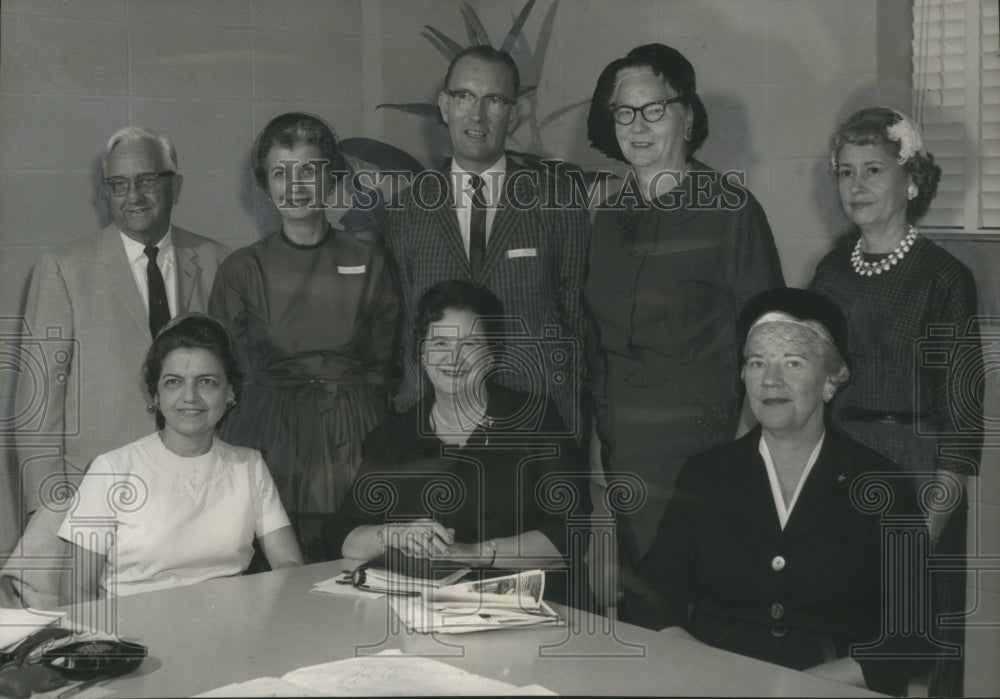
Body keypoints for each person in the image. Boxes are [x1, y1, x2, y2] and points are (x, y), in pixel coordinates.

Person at [625, 288, 923, 696]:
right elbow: (650, 599)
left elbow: (913, 635)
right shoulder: (706, 475)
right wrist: (708, 672)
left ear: (831, 380)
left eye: (793, 363)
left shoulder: (883, 485)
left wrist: (795, 687)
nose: (770, 380)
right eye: (757, 362)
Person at [1, 126, 229, 608]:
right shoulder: (64, 268)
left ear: (176, 186)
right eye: (118, 184)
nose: (133, 196)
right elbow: (37, 410)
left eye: (147, 180)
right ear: (104, 191)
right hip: (93, 507)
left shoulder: (217, 262)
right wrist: (53, 514)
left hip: (194, 501)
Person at [584, 43, 785, 567]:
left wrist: (741, 453)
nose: (638, 124)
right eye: (624, 112)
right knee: (640, 597)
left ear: (688, 116)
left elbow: (767, 340)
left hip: (699, 445)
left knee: (691, 597)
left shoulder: (731, 211)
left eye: (655, 109)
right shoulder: (606, 218)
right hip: (623, 445)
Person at [810, 106, 982, 697]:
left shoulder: (944, 278)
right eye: (845, 171)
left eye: (873, 171)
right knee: (838, 643)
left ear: (912, 181)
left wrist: (930, 519)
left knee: (907, 652)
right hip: (840, 464)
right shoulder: (830, 273)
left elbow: (962, 416)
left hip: (914, 473)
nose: (855, 186)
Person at [325, 281, 592, 604]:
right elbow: (343, 535)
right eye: (439, 342)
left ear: (494, 353)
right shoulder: (391, 436)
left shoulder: (535, 419)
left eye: (469, 344)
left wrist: (474, 554)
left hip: (532, 605)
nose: (453, 357)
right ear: (422, 353)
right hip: (422, 606)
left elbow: (572, 533)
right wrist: (392, 535)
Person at [209, 113, 398, 562]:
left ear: (330, 179)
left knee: (351, 568)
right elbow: (226, 370)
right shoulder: (242, 269)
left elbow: (385, 362)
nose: (294, 185)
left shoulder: (370, 260)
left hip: (353, 436)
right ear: (265, 184)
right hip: (269, 438)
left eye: (308, 170)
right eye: (280, 172)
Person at [384, 45, 590, 438]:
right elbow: (404, 329)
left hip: (537, 420)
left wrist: (571, 420)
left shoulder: (558, 201)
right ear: (444, 106)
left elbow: (578, 323)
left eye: (494, 100)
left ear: (515, 113)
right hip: (436, 422)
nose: (477, 115)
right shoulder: (407, 209)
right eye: (464, 96)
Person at [57, 315, 301, 601]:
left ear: (231, 392)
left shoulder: (249, 465)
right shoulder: (112, 469)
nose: (190, 397)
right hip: (134, 635)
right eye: (174, 382)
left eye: (207, 382)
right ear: (156, 396)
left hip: (232, 629)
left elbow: (290, 566)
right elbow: (75, 593)